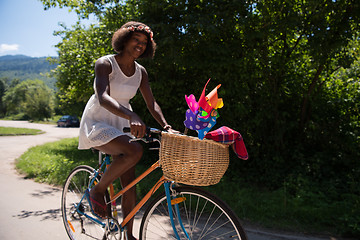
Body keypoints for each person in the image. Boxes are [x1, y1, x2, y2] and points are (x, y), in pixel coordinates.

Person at [78, 21, 175, 240]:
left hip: (122, 123)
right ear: (124, 39)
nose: (140, 45)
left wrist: (166, 126)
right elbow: (102, 97)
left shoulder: (141, 72)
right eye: (136, 40)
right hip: (99, 120)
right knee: (134, 152)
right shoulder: (105, 63)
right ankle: (99, 189)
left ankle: (129, 234)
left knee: (130, 185)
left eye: (144, 43)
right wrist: (131, 115)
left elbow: (152, 104)